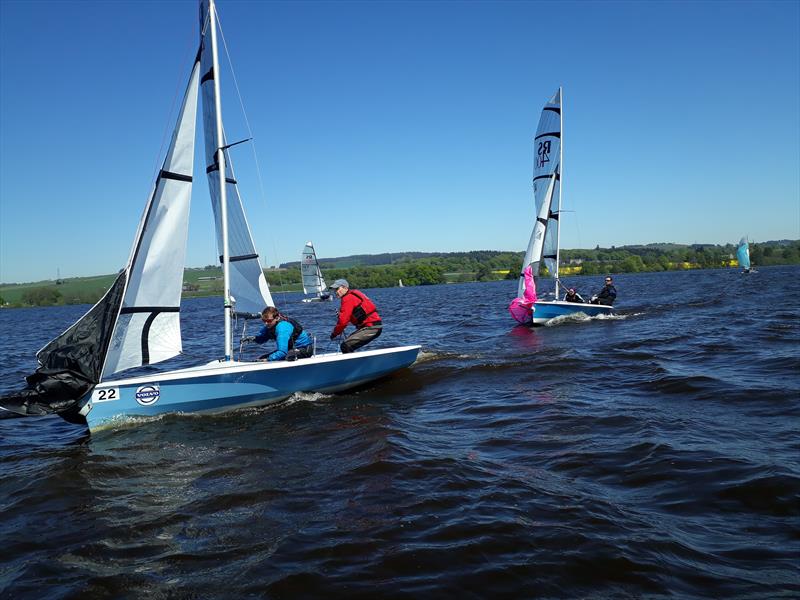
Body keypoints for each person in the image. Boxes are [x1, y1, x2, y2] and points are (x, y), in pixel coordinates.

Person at [329, 279, 382, 353]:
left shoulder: (347, 298)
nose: (336, 292)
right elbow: (346, 318)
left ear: (345, 288)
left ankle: (351, 364)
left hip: (371, 327)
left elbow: (343, 322)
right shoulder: (352, 295)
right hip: (372, 327)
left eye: (337, 289)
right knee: (347, 344)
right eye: (335, 290)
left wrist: (334, 333)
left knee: (346, 345)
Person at [242, 306, 314, 361]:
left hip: (304, 349)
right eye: (264, 321)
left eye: (269, 321)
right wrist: (253, 339)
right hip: (290, 349)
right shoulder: (269, 326)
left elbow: (282, 352)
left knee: (288, 357)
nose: (266, 323)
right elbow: (262, 339)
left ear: (277, 318)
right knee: (262, 358)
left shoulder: (282, 328)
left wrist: (268, 360)